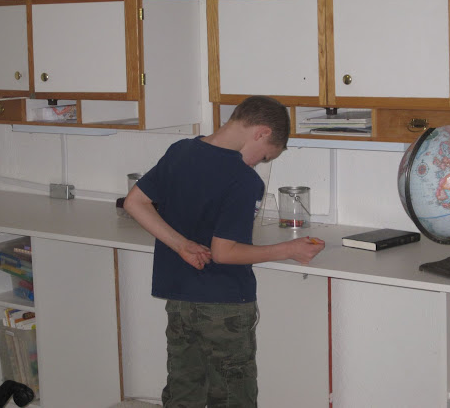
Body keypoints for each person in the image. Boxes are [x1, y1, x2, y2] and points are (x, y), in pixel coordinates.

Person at [124, 95, 325, 408]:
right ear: (261, 132)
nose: (258, 163)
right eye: (264, 156)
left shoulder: (180, 151)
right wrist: (288, 249)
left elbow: (134, 202)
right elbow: (224, 253)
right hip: (225, 305)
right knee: (232, 396)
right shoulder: (244, 180)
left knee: (183, 390)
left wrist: (181, 245)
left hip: (180, 300)